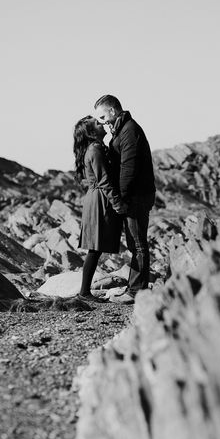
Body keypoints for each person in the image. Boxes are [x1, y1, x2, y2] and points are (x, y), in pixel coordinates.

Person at [94, 94, 156, 303]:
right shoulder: (123, 130)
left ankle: (137, 292)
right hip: (134, 195)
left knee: (138, 244)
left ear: (112, 110)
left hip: (136, 196)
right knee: (134, 244)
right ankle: (134, 287)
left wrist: (120, 200)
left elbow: (128, 169)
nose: (102, 122)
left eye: (103, 116)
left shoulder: (129, 131)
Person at [72, 115, 124, 301]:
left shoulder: (96, 147)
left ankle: (85, 291)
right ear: (91, 132)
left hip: (98, 198)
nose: (101, 123)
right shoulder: (94, 149)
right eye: (97, 122)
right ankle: (84, 292)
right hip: (99, 200)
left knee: (96, 248)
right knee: (95, 248)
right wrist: (118, 204)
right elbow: (104, 181)